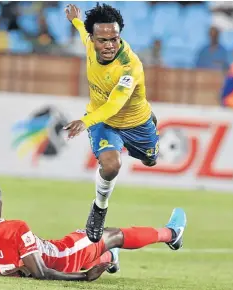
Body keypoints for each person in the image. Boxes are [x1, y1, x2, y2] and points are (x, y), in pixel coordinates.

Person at [0, 179, 187, 281]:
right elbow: (41, 272)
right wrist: (83, 278)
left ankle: (108, 258)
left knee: (92, 242)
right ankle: (171, 234)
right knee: (112, 235)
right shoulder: (15, 228)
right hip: (63, 256)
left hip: (50, 251)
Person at [63, 3, 162, 244]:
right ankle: (99, 209)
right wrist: (75, 20)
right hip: (104, 122)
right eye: (102, 40)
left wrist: (84, 121)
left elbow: (115, 104)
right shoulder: (88, 43)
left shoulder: (130, 66)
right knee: (111, 165)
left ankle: (151, 125)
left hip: (135, 123)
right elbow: (81, 30)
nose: (108, 46)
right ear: (93, 39)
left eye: (114, 39)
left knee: (151, 159)